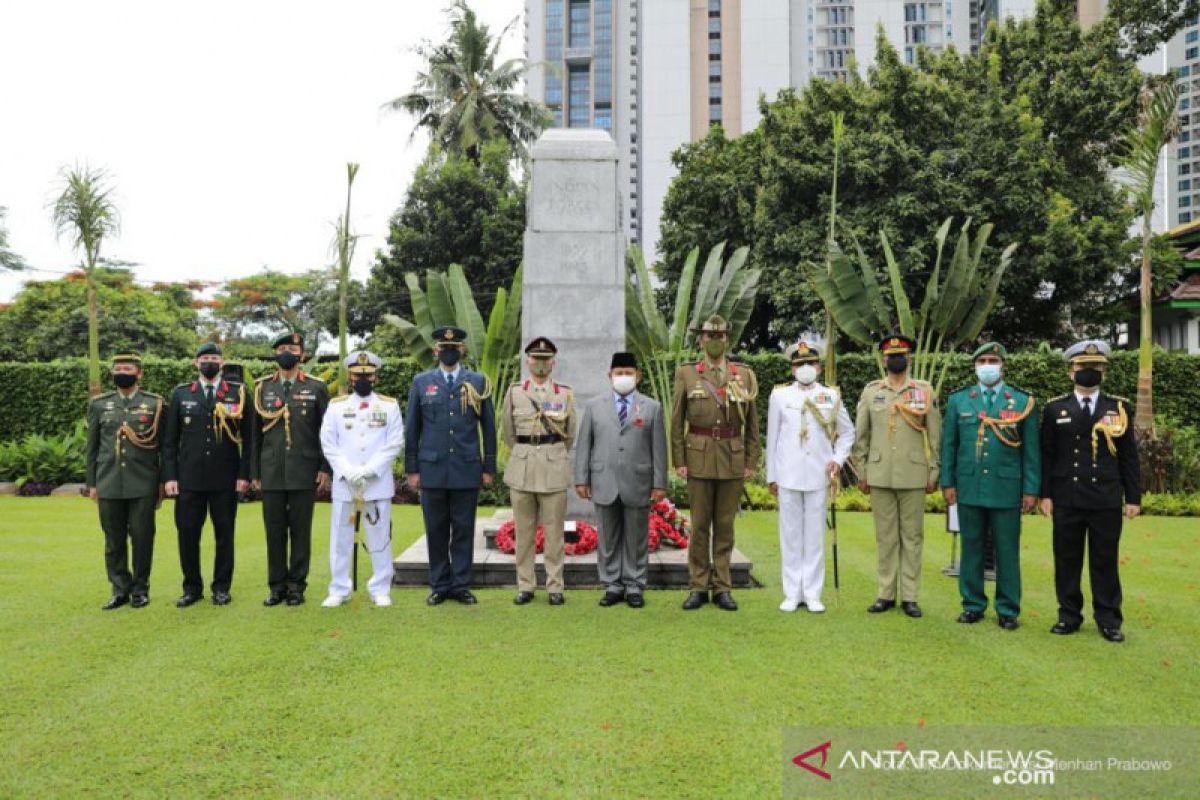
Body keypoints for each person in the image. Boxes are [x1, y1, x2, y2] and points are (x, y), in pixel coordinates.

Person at [1039, 340, 1140, 643]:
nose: (1089, 372)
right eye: (1083, 367)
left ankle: (1109, 619)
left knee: (1105, 560)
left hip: (1105, 497)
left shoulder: (1118, 408)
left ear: (1104, 372)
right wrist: (1045, 494)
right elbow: (1047, 455)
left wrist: (1133, 497)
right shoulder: (1055, 408)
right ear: (1071, 372)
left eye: (1095, 368)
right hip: (1067, 496)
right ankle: (1069, 615)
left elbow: (1128, 456)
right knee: (1067, 560)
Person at [939, 342, 1040, 630]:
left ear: (1002, 364)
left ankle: (1008, 609)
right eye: (982, 360)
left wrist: (1031, 489)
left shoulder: (1021, 401)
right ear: (974, 366)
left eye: (992, 360)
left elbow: (1031, 451)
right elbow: (950, 445)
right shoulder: (960, 400)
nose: (987, 365)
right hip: (969, 485)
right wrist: (948, 481)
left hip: (1007, 487)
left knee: (1007, 551)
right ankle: (972, 605)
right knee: (971, 548)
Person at [670, 314, 760, 611]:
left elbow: (753, 423)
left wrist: (750, 460)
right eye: (709, 335)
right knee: (698, 527)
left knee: (725, 526)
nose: (714, 340)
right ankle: (697, 586)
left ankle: (722, 587)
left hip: (732, 457)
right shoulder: (687, 373)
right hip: (698, 456)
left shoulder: (743, 374)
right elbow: (676, 420)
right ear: (701, 339)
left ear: (727, 339)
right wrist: (679, 459)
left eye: (719, 336)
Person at [851, 334, 942, 618]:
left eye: (901, 354)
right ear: (883, 360)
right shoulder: (871, 392)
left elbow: (936, 435)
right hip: (879, 474)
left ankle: (911, 597)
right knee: (885, 538)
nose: (895, 359)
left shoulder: (924, 391)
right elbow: (861, 437)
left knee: (912, 537)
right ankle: (885, 594)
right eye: (891, 356)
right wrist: (862, 470)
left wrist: (935, 469)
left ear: (909, 359)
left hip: (914, 473)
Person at [405, 326, 497, 606]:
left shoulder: (478, 382)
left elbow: (489, 428)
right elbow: (413, 428)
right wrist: (412, 469)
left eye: (454, 347)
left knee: (463, 529)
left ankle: (460, 585)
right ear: (435, 350)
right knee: (435, 530)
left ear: (462, 350)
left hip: (466, 467)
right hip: (431, 468)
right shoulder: (422, 382)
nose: (448, 351)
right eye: (443, 347)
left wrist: (488, 467)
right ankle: (440, 585)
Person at [162, 342, 253, 607]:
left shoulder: (238, 392)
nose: (209, 362)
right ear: (195, 363)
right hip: (189, 479)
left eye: (214, 357)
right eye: (204, 358)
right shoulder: (181, 394)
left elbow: (249, 440)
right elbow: (170, 441)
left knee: (224, 535)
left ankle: (221, 587)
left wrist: (244, 474)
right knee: (188, 535)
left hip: (226, 478)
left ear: (222, 363)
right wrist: (170, 477)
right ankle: (191, 588)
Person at [573, 352, 668, 608]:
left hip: (638, 480)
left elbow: (659, 448)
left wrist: (659, 483)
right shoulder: (594, 406)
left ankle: (635, 584)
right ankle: (612, 584)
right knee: (608, 536)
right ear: (609, 376)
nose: (623, 377)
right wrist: (581, 478)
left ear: (638, 376)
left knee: (636, 536)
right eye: (619, 373)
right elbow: (584, 445)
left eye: (628, 373)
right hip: (603, 479)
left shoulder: (652, 407)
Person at [766, 342, 854, 613]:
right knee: (790, 536)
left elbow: (847, 432)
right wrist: (772, 475)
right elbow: (773, 437)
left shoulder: (830, 395)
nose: (805, 369)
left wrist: (837, 460)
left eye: (810, 364)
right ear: (792, 369)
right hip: (789, 473)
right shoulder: (779, 396)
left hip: (818, 474)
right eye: (799, 365)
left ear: (818, 366)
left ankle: (813, 593)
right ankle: (792, 593)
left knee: (815, 536)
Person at [250, 331, 331, 607]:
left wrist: (324, 467)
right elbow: (253, 437)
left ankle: (297, 586)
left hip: (303, 469)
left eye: (292, 349)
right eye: (282, 348)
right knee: (274, 532)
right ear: (275, 354)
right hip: (271, 470)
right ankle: (276, 586)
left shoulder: (317, 388)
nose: (287, 353)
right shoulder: (262, 389)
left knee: (300, 531)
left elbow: (326, 433)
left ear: (302, 355)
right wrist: (254, 473)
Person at [319, 351, 404, 608]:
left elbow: (394, 442)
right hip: (346, 484)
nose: (363, 379)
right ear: (350, 376)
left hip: (376, 483)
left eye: (368, 375)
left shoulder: (389, 406)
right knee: (340, 537)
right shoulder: (336, 406)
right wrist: (346, 470)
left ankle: (380, 587)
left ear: (376, 376)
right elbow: (328, 442)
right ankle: (339, 588)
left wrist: (369, 470)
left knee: (380, 537)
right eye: (358, 375)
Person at [85, 352, 163, 610]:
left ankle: (140, 588)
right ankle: (120, 589)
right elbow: (93, 448)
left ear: (139, 373)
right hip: (108, 480)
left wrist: (162, 482)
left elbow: (164, 447)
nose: (122, 372)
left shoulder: (155, 404)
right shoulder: (99, 405)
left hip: (143, 481)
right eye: (118, 368)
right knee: (113, 540)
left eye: (128, 367)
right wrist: (92, 483)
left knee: (142, 537)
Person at [501, 337, 576, 606]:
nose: (541, 363)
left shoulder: (564, 393)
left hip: (554, 467)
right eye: (536, 358)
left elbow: (570, 435)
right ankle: (526, 585)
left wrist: (549, 450)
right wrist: (526, 449)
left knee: (555, 534)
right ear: (528, 361)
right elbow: (508, 432)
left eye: (546, 359)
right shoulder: (514, 392)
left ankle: (555, 586)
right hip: (522, 467)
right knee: (524, 533)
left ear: (553, 362)